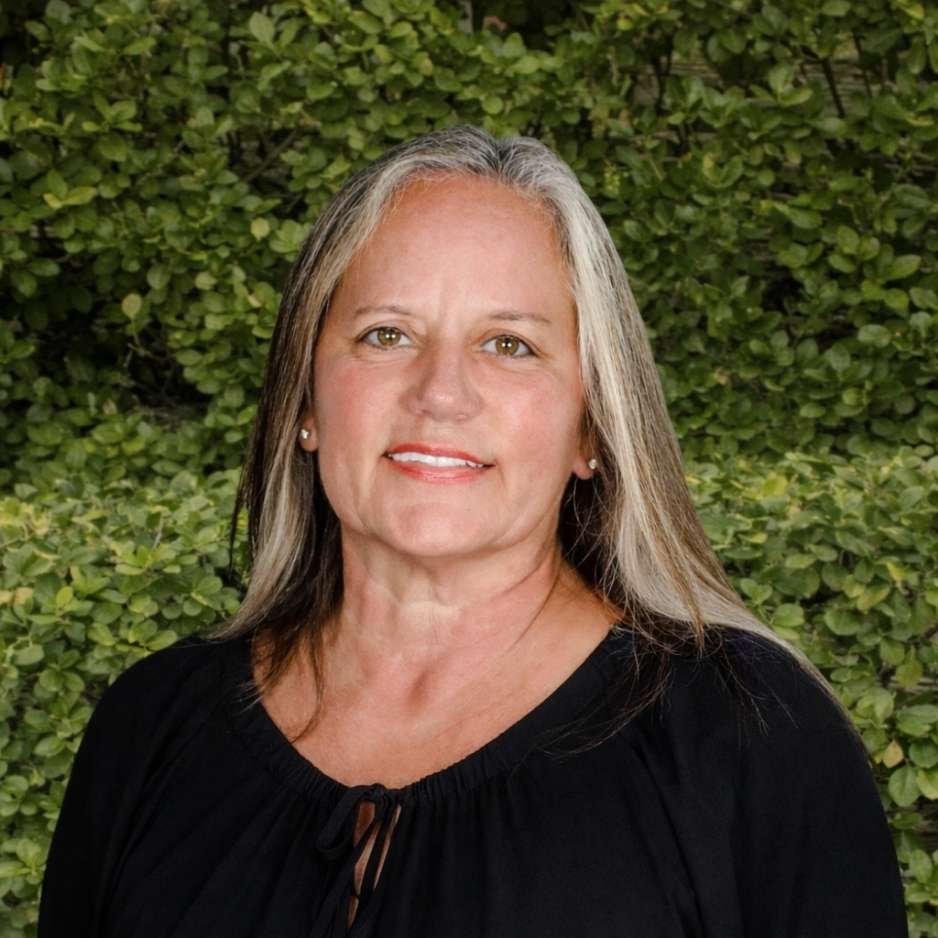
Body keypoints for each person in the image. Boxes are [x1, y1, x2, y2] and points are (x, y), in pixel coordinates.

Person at [37, 125, 907, 937]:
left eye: (510, 345)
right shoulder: (150, 727)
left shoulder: (749, 735)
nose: (441, 394)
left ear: (591, 428)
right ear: (304, 404)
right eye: (386, 334)